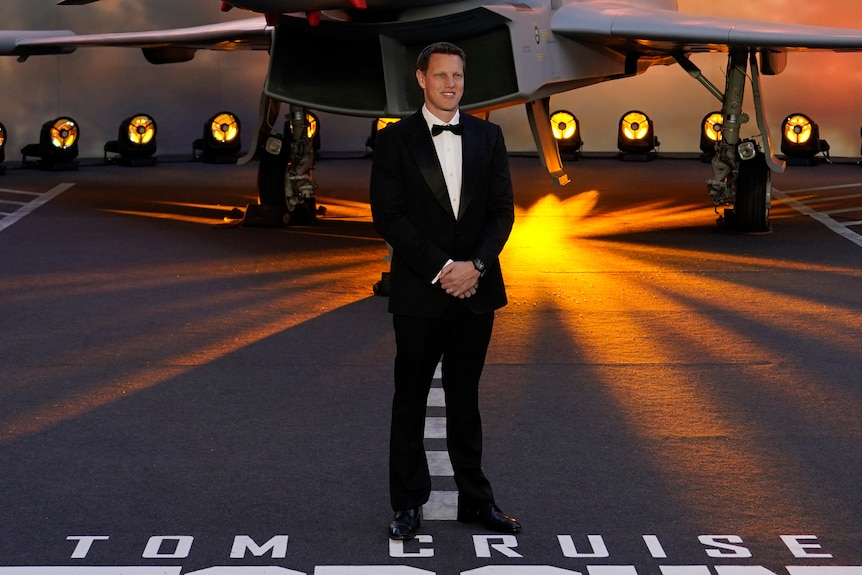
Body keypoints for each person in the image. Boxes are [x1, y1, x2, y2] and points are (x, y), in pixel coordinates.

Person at [370, 41, 520, 541]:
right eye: (441, 76)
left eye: (457, 76)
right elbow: (387, 216)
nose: (451, 84)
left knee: (466, 399)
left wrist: (475, 265)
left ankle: (478, 501)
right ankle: (407, 505)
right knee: (409, 400)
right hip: (420, 293)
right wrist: (442, 269)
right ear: (421, 79)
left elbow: (502, 212)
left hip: (476, 290)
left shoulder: (488, 136)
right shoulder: (394, 140)